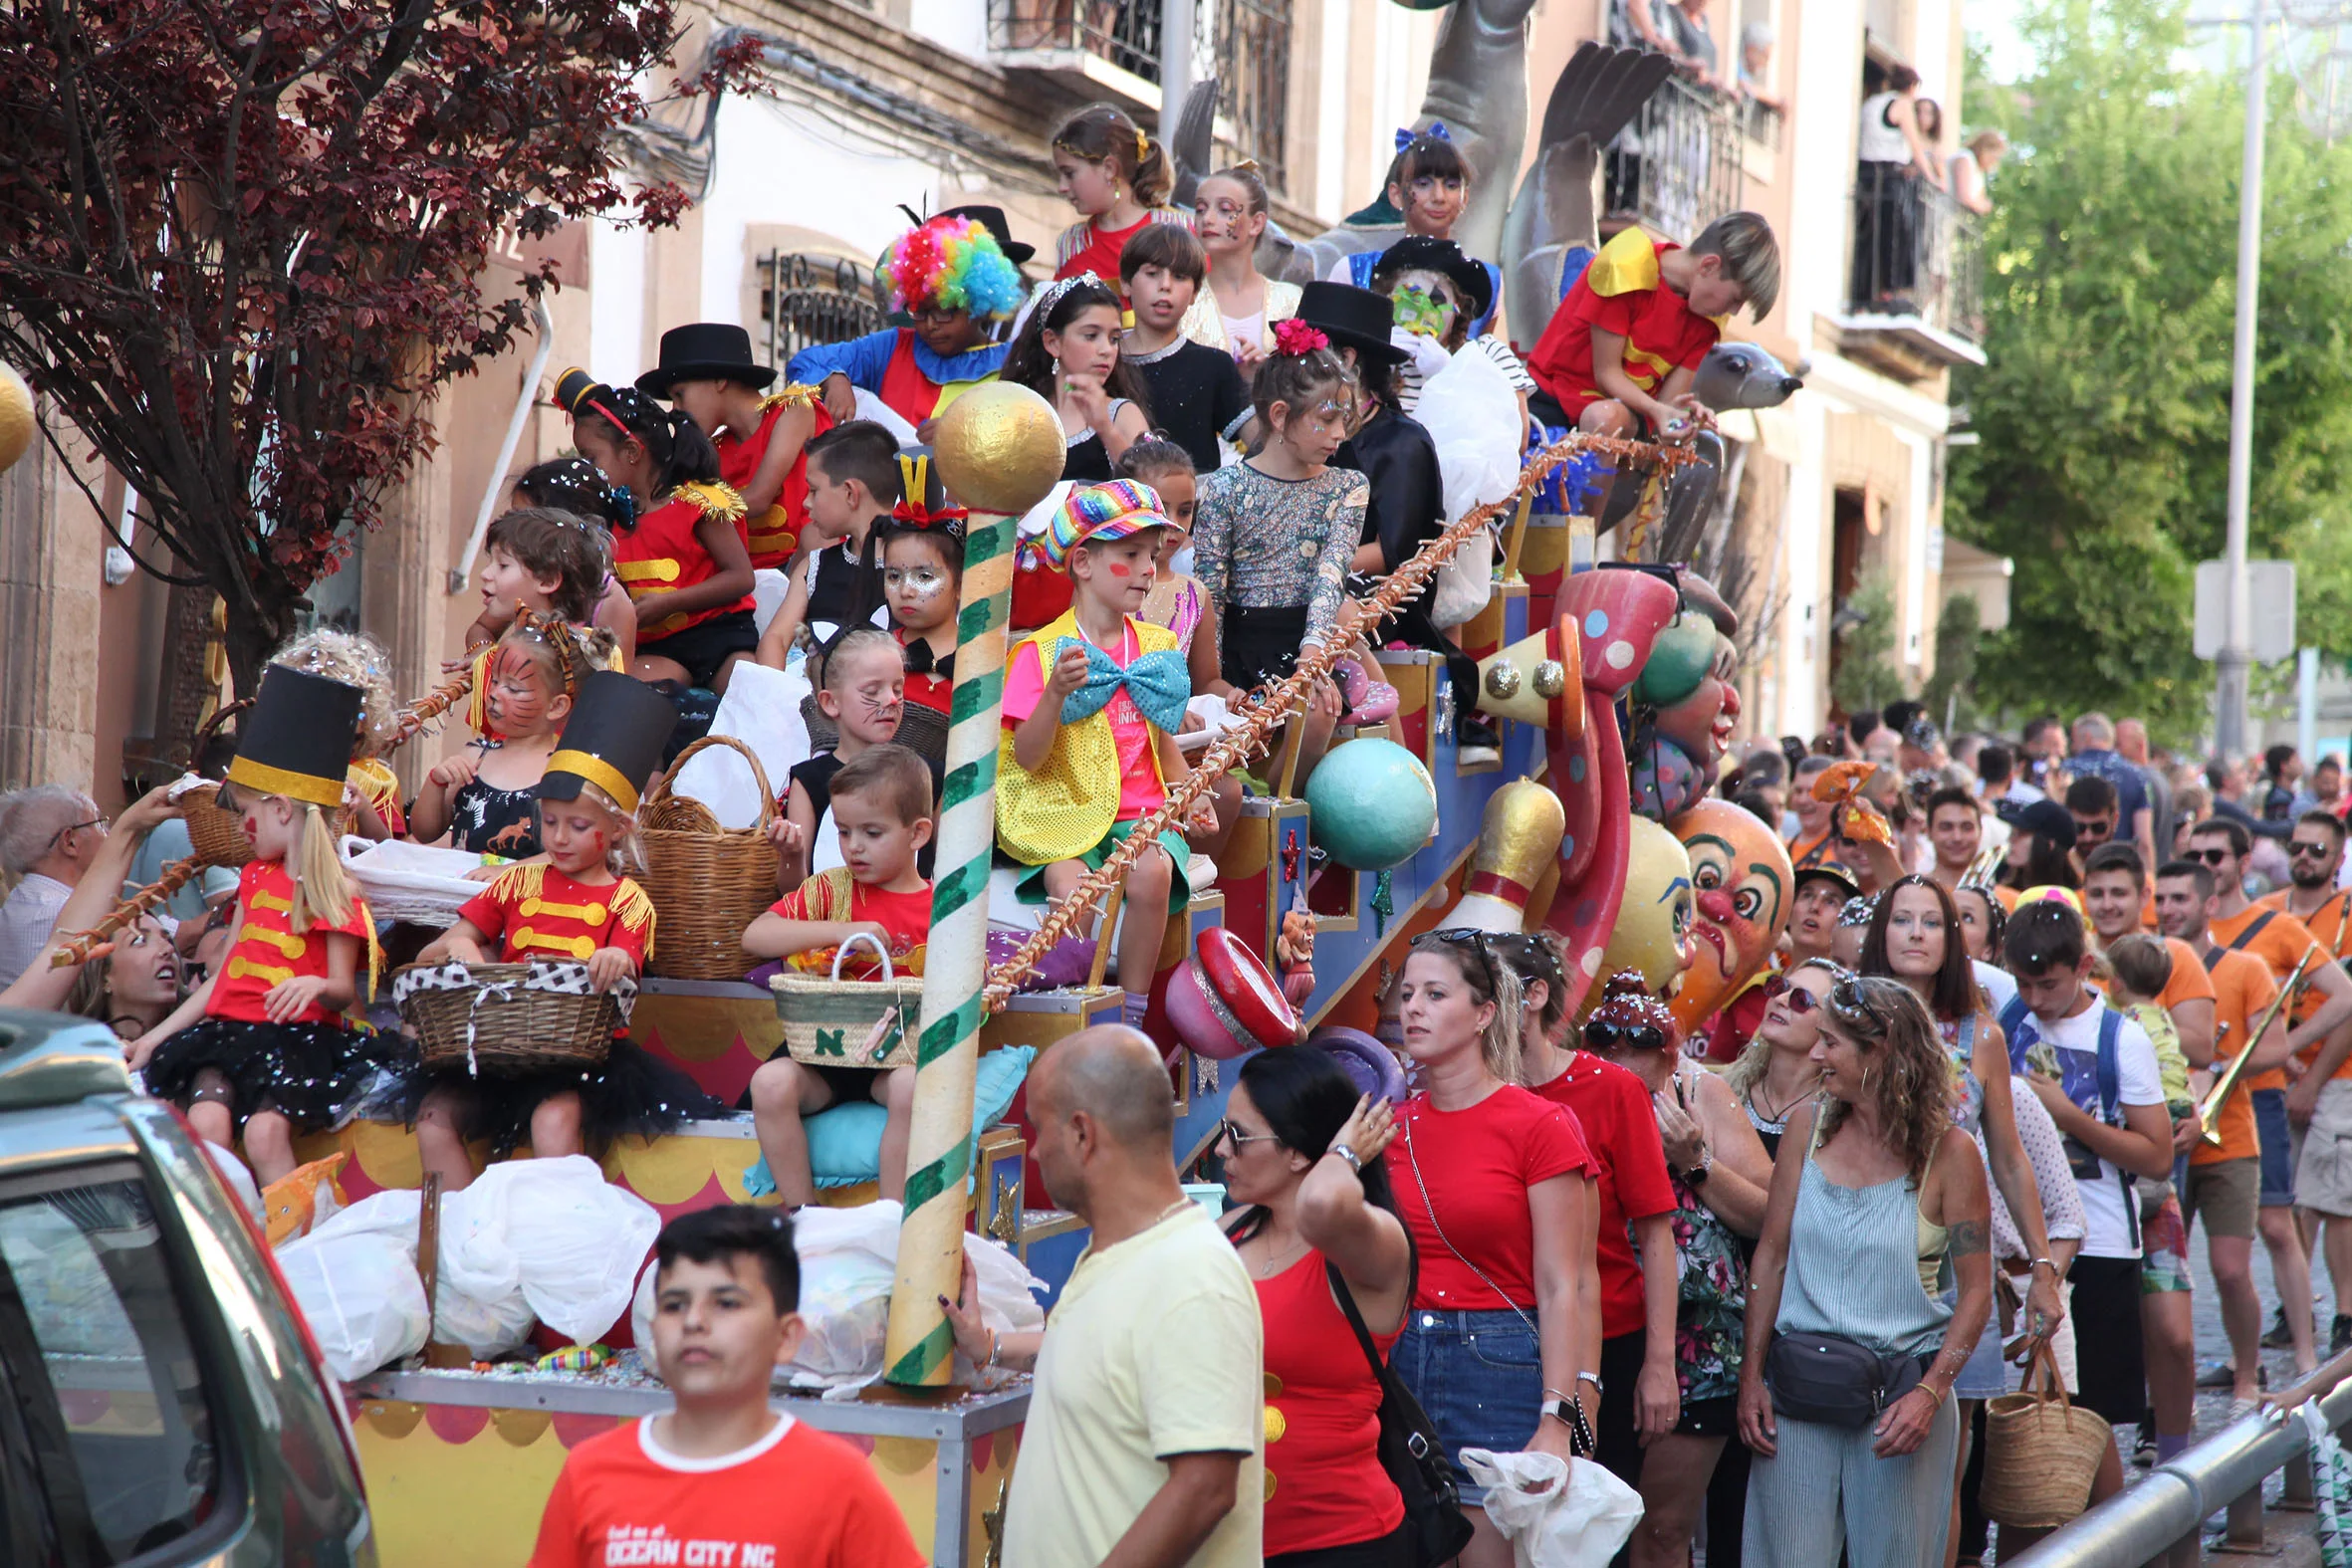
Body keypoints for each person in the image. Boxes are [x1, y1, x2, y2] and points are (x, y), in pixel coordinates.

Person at [949, 1025, 1264, 1568]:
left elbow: (1206, 1488)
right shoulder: (1119, 1253)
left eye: (1038, 1128)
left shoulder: (1190, 1274)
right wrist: (990, 1344)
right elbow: (1106, 1361)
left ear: (1080, 1134)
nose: (1036, 1149)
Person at [407, 671, 712, 1190]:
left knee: (553, 1121)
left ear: (617, 830)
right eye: (550, 822)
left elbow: (627, 964)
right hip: (499, 1045)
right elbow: (444, 943)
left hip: (574, 1055)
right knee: (434, 1119)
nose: (559, 837)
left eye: (578, 825)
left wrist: (617, 962)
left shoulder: (627, 901)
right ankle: (463, 1233)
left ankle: (555, 1239)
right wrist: (461, 944)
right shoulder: (518, 880)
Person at [1738, 976, 1992, 1567]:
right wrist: (1752, 1378)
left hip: (1902, 1399)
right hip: (1796, 1393)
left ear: (1880, 1052)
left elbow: (1977, 1293)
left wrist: (1932, 1393)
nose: (1816, 1054)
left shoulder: (1950, 1154)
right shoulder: (1805, 1130)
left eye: (1832, 1043)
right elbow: (1770, 1257)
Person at [528, 1206, 924, 1568]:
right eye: (674, 1304)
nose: (694, 1322)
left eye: (727, 1303)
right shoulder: (590, 1473)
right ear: (653, 1332)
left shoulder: (839, 1483)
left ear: (786, 1336)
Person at [125, 668, 385, 1186]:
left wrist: (316, 985)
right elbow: (225, 977)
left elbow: (340, 988)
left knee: (268, 1134)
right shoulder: (253, 877)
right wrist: (154, 1039)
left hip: (296, 1040)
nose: (243, 827)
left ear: (283, 809)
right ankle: (214, 1241)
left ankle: (285, 1252)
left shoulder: (336, 892)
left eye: (249, 814)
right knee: (204, 1124)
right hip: (227, 1033)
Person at [1385, 931, 1592, 1568]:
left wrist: (1561, 1419)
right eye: (1408, 993)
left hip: (1501, 1361)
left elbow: (1568, 1287)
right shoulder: (1385, 1128)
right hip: (1401, 1362)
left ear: (1483, 1014)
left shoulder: (1539, 1125)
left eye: (1435, 994)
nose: (1412, 1008)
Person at [1582, 972, 1774, 1568]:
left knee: (1663, 1529)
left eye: (1640, 1064)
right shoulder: (1571, 1092)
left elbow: (1768, 1215)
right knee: (1595, 1524)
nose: (1624, 1077)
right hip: (1600, 1330)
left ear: (1670, 1059)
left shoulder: (1704, 1093)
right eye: (1610, 1057)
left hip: (1697, 1346)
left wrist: (1695, 1160)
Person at [1000, 482, 1208, 1028]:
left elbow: (1164, 748)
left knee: (1150, 871)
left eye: (1153, 555)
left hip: (1142, 817)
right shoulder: (1038, 653)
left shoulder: (1159, 649)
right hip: (1060, 816)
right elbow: (1026, 757)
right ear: (1084, 563)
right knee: (1071, 890)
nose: (1147, 569)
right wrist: (1053, 696)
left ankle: (1131, 1011)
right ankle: (1075, 1005)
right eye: (1131, 556)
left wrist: (1191, 797)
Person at [2000, 903, 2174, 1546]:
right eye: (2022, 983)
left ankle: (2124, 1543)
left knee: (2087, 1421)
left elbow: (2156, 1153)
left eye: (2049, 984)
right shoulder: (2007, 1020)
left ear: (2084, 966)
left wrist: (2069, 1115)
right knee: (2028, 1423)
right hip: (2021, 1244)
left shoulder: (2119, 1037)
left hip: (2100, 1243)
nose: (2035, 998)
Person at [1217, 1047, 1416, 1566]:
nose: (1220, 1149)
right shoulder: (1230, 1232)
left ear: (1300, 1153)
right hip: (1230, 1542)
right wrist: (992, 1346)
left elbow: (1322, 1205)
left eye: (1238, 1137)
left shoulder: (1371, 1243)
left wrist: (1344, 1154)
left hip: (1343, 1545)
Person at [1493, 934, 1669, 1495]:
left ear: (1537, 995)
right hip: (1499, 1336)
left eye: (1489, 989)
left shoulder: (1614, 1089)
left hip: (1608, 1337)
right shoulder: (1471, 1093)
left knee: (1587, 1523)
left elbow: (1657, 1234)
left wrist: (1660, 1362)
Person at [1307, 277, 1500, 763]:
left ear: (1347, 359)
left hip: (1379, 608)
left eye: (1307, 350)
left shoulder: (1402, 443)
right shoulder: (1292, 431)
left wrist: (1309, 568)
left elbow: (1399, 553)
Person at [2189, 814, 2352, 1361]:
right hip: (2194, 1096)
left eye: (2216, 857)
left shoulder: (2277, 926)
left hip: (2263, 1092)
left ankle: (2311, 1349)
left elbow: (2344, 996)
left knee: (2285, 1220)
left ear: (2241, 863)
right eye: (2197, 857)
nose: (2205, 867)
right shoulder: (2175, 925)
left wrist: (2287, 1049)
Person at [743, 745, 935, 1209]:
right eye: (844, 831)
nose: (854, 846)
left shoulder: (941, 905)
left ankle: (891, 1219)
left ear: (917, 834)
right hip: (823, 1051)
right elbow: (755, 937)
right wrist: (845, 930)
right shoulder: (831, 889)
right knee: (768, 1084)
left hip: (896, 1055)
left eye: (872, 832)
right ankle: (804, 1214)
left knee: (912, 1086)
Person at [2149, 858, 2297, 1407]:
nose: (2167, 910)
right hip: (2161, 1143)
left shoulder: (2244, 966)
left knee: (2232, 1269)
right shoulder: (2142, 966)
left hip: (2229, 1137)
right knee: (2162, 1279)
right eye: (2160, 900)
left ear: (2209, 904)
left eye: (2179, 899)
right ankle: (2164, 1398)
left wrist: (2221, 1059)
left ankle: (2245, 1373)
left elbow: (2280, 1048)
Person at [1191, 316, 1369, 691]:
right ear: (1280, 415)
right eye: (1326, 419)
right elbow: (1212, 593)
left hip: (1309, 641)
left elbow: (1330, 576)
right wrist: (1213, 684)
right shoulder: (1225, 489)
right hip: (1241, 652)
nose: (1339, 433)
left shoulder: (1347, 487)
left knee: (1316, 708)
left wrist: (1314, 652)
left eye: (1345, 419)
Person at [557, 370, 757, 694]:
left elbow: (741, 577)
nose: (587, 470)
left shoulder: (697, 502)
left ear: (632, 452)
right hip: (659, 647)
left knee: (749, 698)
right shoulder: (610, 522)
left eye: (591, 458)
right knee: (620, 697)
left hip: (720, 637)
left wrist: (669, 603)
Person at [1527, 210, 1779, 439]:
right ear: (1709, 265)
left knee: (1605, 417)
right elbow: (1607, 375)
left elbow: (1668, 412)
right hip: (1551, 400)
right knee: (1604, 417)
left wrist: (1683, 422)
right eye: (1736, 299)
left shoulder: (1709, 321)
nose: (1733, 312)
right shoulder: (1626, 267)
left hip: (1622, 420)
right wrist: (1657, 410)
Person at [789, 211, 1022, 434]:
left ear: (979, 306)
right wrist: (834, 378)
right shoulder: (891, 346)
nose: (930, 324)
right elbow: (804, 362)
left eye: (944, 312)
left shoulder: (1014, 364)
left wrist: (966, 435)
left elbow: (1028, 435)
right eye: (919, 311)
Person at [412, 619, 616, 860]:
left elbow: (575, 852)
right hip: (467, 894)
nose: (494, 694)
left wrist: (506, 875)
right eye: (495, 681)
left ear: (556, 706)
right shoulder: (475, 756)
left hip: (529, 896)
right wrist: (436, 784)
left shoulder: (565, 772)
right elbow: (424, 832)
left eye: (514, 688)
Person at [641, 323, 825, 571]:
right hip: (751, 582)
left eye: (680, 394)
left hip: (807, 567)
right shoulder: (713, 450)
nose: (675, 409)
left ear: (719, 381)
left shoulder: (793, 410)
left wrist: (680, 515)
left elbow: (759, 498)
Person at [2268, 810, 2352, 1352]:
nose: (2304, 857)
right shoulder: (2270, 912)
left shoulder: (2347, 914)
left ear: (2338, 859)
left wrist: (2312, 1078)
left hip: (2337, 1073)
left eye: (2317, 851)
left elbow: (2349, 1010)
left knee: (2333, 1195)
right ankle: (2290, 1306)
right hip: (2278, 1073)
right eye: (2296, 847)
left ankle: (2345, 1314)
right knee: (2290, 1198)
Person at [768, 630, 937, 894]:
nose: (891, 700)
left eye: (897, 689)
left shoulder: (929, 775)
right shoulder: (810, 780)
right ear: (831, 702)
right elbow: (796, 895)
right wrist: (792, 855)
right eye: (872, 690)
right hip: (832, 928)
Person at [1325, 127, 1505, 339]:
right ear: (1395, 194)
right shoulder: (1352, 272)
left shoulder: (1488, 281)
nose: (1439, 196)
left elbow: (1480, 364)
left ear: (1465, 198)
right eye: (1423, 184)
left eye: (1451, 185)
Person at [755, 421, 896, 675]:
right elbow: (775, 640)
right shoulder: (815, 566)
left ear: (851, 493)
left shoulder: (914, 565)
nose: (806, 503)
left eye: (813, 490)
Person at [1119, 224, 1250, 473]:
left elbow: (1264, 445)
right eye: (1152, 273)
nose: (1165, 285)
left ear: (1195, 292)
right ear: (1126, 283)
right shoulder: (1102, 362)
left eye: (1179, 277)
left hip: (1192, 509)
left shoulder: (1213, 366)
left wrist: (1263, 383)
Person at [1002, 273, 1154, 484]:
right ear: (1052, 342)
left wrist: (1105, 429)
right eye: (1091, 336)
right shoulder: (1021, 413)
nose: (1106, 350)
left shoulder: (1122, 414)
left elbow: (1152, 494)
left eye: (1114, 339)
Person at [464, 505, 629, 678]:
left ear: (547, 581)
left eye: (503, 566)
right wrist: (485, 657)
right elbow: (482, 629)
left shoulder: (573, 662)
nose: (485, 574)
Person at [1050, 103, 1191, 302]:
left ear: (1109, 168)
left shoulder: (1178, 231)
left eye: (1069, 173)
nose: (1061, 187)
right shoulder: (1072, 244)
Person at [1185, 163, 1301, 372]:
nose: (1207, 219)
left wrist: (1267, 374)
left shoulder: (1290, 300)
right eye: (1200, 209)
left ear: (1256, 223)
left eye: (1225, 209)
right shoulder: (1184, 300)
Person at [1728, 958, 1834, 1158]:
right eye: (1780, 987)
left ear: (1830, 1027)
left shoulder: (1834, 1121)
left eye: (1801, 1000)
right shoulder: (1727, 1089)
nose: (1780, 999)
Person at [0, 783, 106, 987]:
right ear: (70, 842)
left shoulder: (13, 907)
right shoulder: (69, 912)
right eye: (99, 824)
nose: (106, 835)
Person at [65, 913, 183, 1041]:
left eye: (168, 939)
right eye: (139, 940)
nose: (169, 948)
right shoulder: (81, 1056)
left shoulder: (201, 1041)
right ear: (103, 974)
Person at [2001, 797, 2079, 893]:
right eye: (2013, 833)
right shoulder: (2002, 879)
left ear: (2050, 845)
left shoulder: (2069, 898)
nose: (2011, 840)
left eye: (2021, 834)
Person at [1924, 784, 1986, 895]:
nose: (1957, 837)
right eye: (1946, 827)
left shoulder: (2006, 899)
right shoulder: (1915, 893)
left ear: (1980, 832)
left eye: (1967, 827)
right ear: (1928, 832)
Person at [1948, 128, 2007, 215]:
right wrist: (1979, 205)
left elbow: (1981, 199)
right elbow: (1963, 197)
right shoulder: (1965, 159)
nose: (1993, 162)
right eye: (1993, 158)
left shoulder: (1979, 172)